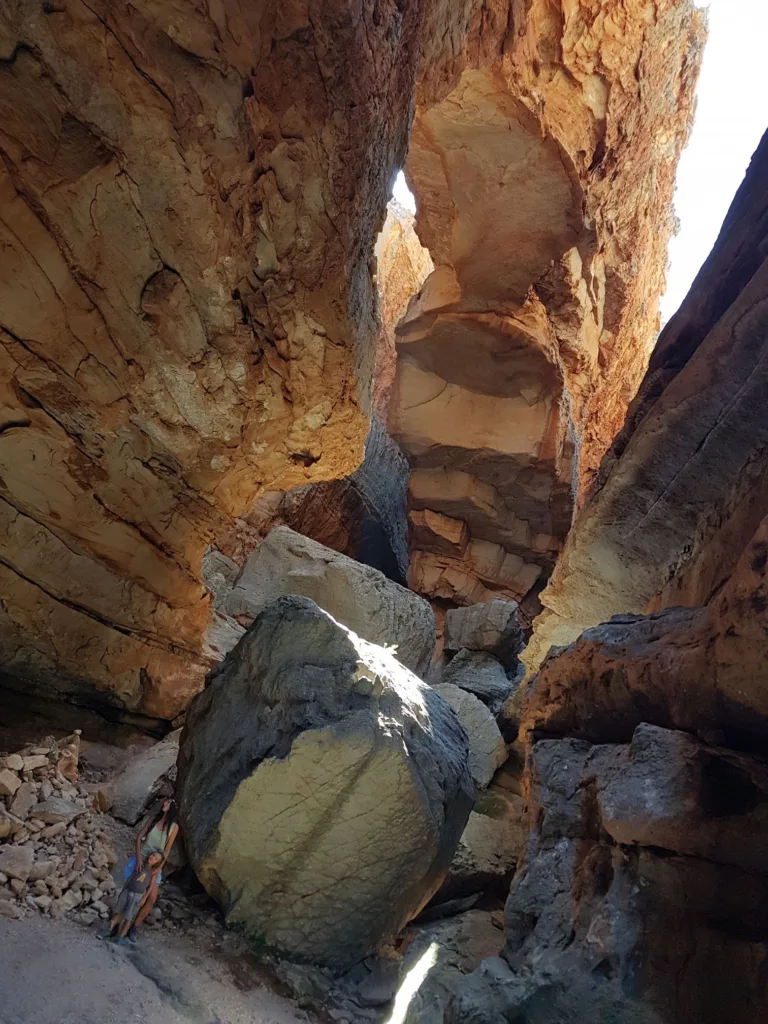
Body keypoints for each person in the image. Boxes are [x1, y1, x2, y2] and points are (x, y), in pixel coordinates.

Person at [122, 797, 179, 942]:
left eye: (167, 803)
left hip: (156, 864)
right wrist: (139, 859)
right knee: (129, 889)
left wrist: (158, 868)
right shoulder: (153, 819)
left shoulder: (174, 828)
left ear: (172, 808)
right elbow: (139, 838)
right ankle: (119, 922)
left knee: (151, 898)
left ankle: (135, 926)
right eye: (164, 802)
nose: (164, 804)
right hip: (142, 859)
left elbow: (166, 851)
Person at [100, 851, 163, 944]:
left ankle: (120, 938)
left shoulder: (152, 873)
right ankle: (108, 930)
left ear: (157, 863)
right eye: (153, 855)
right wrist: (123, 890)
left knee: (128, 918)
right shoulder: (140, 865)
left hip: (137, 896)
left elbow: (150, 888)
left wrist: (144, 898)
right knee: (118, 913)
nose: (153, 858)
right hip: (128, 891)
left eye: (156, 859)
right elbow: (130, 878)